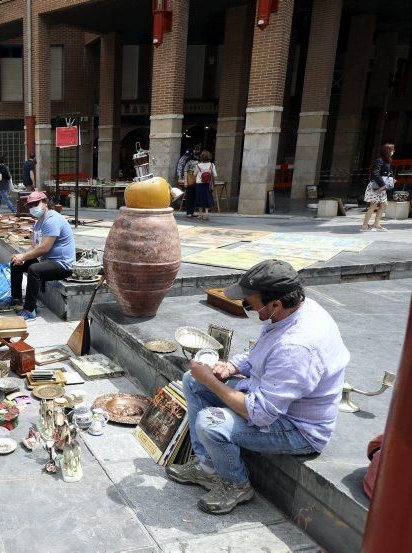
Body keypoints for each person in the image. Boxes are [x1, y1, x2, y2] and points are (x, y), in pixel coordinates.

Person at [166, 260, 349, 515]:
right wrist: (230, 367)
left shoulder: (297, 346)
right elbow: (260, 352)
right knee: (192, 380)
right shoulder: (290, 312)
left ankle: (235, 484)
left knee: (211, 422)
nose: (246, 308)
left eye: (250, 303)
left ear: (276, 304)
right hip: (269, 398)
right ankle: (207, 467)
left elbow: (260, 414)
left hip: (296, 428)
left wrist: (212, 381)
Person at [10, 191, 75, 321]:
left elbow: (44, 248)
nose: (33, 207)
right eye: (30, 205)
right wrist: (22, 257)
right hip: (48, 261)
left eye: (36, 203)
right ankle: (16, 300)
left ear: (45, 202)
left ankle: (29, 310)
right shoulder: (38, 223)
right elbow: (34, 246)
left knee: (34, 270)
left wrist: (23, 257)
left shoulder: (52, 220)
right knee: (15, 264)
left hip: (62, 264)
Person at [361, 143, 394, 232]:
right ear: (388, 151)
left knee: (384, 205)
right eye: (392, 150)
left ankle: (376, 224)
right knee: (373, 205)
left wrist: (391, 180)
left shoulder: (387, 161)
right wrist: (382, 184)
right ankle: (364, 226)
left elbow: (386, 173)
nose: (393, 152)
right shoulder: (379, 160)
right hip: (377, 186)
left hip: (382, 187)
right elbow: (375, 173)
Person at [192, 150, 217, 221]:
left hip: (199, 183)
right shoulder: (212, 165)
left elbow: (194, 174)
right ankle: (206, 213)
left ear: (201, 157)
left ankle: (200, 214)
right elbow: (215, 174)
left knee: (199, 198)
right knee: (207, 197)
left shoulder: (198, 165)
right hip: (208, 184)